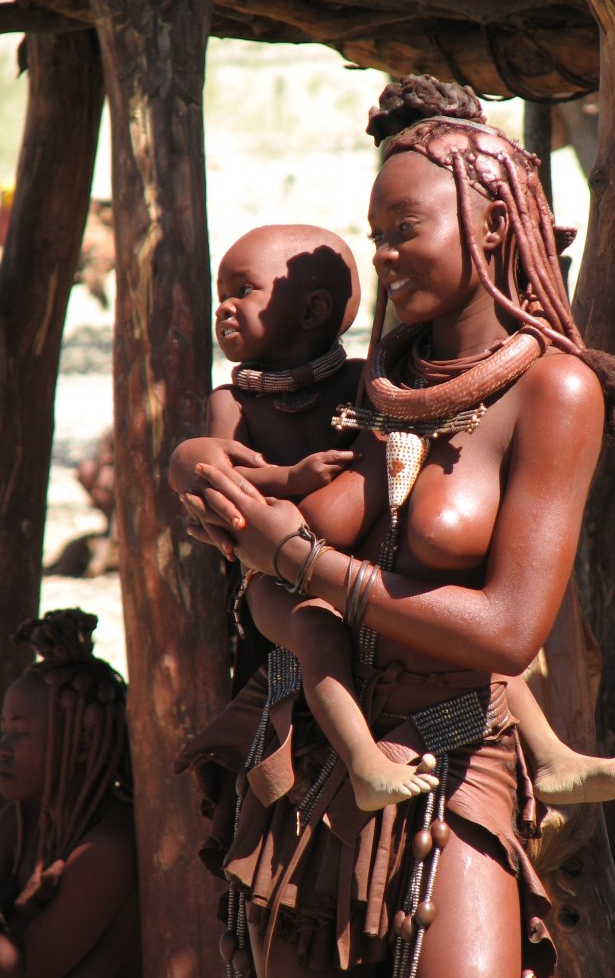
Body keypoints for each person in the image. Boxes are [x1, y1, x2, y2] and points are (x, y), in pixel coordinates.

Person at [175, 75, 615, 978]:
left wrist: (298, 560)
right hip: (310, 745)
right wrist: (208, 474)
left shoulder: (554, 392)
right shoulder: (377, 379)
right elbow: (268, 464)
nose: (383, 256)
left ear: (496, 227)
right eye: (376, 233)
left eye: (406, 230)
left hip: (455, 753)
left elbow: (510, 631)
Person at [170, 223, 442, 809]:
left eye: (243, 289)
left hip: (361, 559)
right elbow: (228, 477)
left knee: (443, 615)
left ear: (314, 309)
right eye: (221, 290)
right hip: (270, 573)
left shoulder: (363, 380)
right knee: (315, 632)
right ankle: (364, 761)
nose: (223, 306)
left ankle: (548, 751)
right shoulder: (232, 400)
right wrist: (289, 480)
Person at [0, 608, 141, 978]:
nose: (4, 747)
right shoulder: (21, 820)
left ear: (81, 745)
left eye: (21, 733)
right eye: (4, 729)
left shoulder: (109, 849)